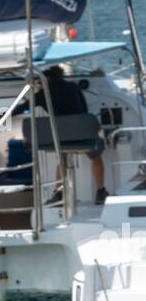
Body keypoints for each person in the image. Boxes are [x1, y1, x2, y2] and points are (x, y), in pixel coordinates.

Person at [37, 64, 108, 203]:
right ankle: (100, 191)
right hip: (83, 133)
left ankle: (59, 194)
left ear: (45, 80)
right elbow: (84, 109)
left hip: (63, 138)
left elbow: (21, 108)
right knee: (96, 157)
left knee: (62, 160)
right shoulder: (74, 87)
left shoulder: (42, 94)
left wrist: (0, 118)